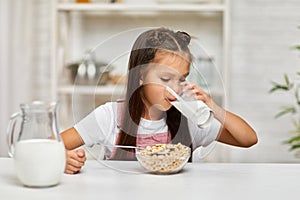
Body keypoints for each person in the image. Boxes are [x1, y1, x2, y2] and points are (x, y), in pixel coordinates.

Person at [60, 27, 258, 174]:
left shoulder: (188, 119)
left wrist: (212, 107)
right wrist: (62, 158)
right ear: (140, 76)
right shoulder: (110, 117)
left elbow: (248, 139)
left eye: (181, 79)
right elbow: (50, 145)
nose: (175, 88)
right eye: (165, 79)